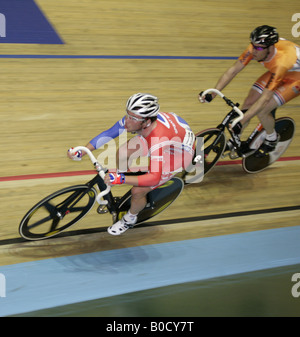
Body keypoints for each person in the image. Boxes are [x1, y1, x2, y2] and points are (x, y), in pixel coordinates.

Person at [68, 93, 195, 235]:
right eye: (127, 114)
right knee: (122, 152)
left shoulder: (158, 139)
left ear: (146, 121)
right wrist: (84, 151)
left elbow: (154, 177)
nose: (127, 121)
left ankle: (130, 218)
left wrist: (121, 179)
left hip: (177, 155)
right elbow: (109, 133)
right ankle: (125, 177)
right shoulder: (140, 119)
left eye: (132, 118)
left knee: (138, 191)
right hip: (165, 136)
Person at [200, 25, 300, 156]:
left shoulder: (281, 62)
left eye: (258, 48)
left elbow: (264, 99)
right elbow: (233, 70)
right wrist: (213, 93)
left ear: (270, 48)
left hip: (296, 78)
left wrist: (241, 121)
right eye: (252, 45)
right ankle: (234, 140)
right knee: (248, 102)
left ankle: (272, 139)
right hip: (279, 71)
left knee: (262, 111)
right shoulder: (254, 49)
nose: (254, 51)